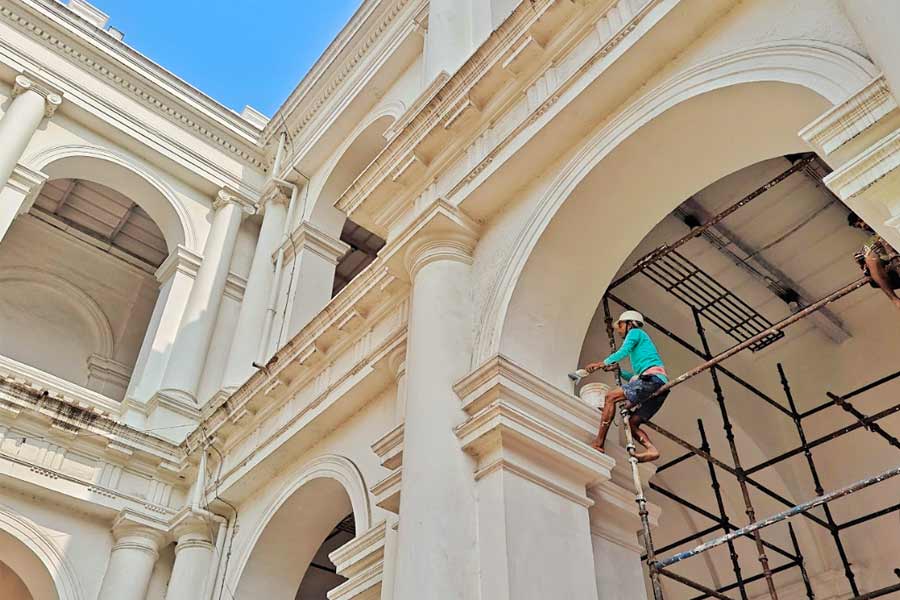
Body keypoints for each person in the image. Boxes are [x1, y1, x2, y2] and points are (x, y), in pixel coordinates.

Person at [582, 310, 669, 462]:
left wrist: (601, 363)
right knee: (632, 422)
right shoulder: (643, 355)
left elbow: (623, 351)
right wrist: (619, 371)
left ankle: (598, 443)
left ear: (629, 323)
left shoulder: (635, 333)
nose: (619, 330)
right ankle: (651, 449)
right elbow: (635, 378)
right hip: (657, 384)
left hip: (652, 380)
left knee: (610, 397)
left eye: (621, 325)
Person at [848, 212, 900, 311]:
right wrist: (861, 264)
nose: (863, 226)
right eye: (859, 226)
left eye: (861, 221)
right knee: (870, 260)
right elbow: (870, 272)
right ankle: (895, 300)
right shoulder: (870, 242)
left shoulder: (889, 222)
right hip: (894, 268)